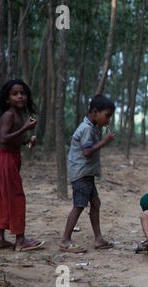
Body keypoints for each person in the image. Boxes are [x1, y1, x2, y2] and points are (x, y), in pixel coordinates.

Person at [0, 79, 44, 251]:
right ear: (7, 99)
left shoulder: (17, 115)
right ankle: (20, 240)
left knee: (5, 198)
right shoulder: (9, 115)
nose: (20, 96)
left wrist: (26, 141)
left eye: (23, 93)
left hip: (9, 159)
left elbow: (12, 139)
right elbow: (3, 138)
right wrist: (26, 129)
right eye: (15, 94)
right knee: (16, 199)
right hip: (5, 160)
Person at [59, 95, 116, 253]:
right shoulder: (87, 128)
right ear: (96, 112)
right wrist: (104, 141)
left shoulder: (91, 126)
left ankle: (98, 239)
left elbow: (74, 140)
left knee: (95, 203)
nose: (108, 120)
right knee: (79, 205)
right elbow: (86, 152)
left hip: (86, 173)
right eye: (107, 116)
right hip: (81, 172)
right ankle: (65, 239)